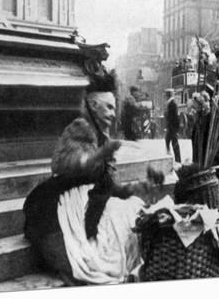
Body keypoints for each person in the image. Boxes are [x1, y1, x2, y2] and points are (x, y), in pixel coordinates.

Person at [23, 71, 151, 285]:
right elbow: (60, 163)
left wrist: (135, 188)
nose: (113, 113)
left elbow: (106, 182)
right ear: (93, 105)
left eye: (114, 107)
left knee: (133, 207)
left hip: (93, 194)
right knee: (104, 235)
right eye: (108, 107)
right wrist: (98, 155)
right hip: (70, 197)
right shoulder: (81, 126)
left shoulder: (103, 135)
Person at [164, 88, 181, 163]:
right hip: (171, 126)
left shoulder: (172, 103)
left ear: (168, 95)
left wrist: (175, 128)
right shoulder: (170, 103)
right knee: (169, 140)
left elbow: (174, 117)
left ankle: (177, 159)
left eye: (166, 95)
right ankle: (173, 157)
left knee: (173, 142)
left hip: (172, 126)